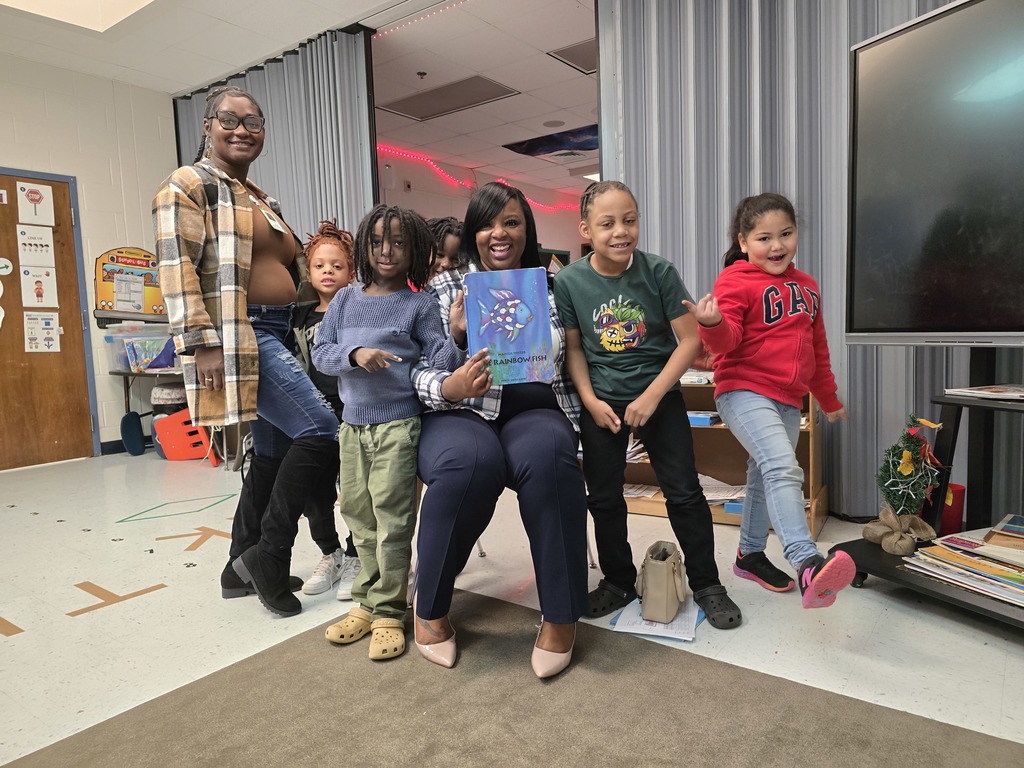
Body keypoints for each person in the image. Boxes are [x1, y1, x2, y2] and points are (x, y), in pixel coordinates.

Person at [154, 85, 340, 618]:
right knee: (320, 430)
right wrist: (199, 343)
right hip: (240, 333)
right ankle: (269, 557)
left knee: (276, 453)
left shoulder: (259, 196)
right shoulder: (188, 184)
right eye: (229, 119)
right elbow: (175, 268)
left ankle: (236, 565)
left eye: (254, 121)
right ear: (208, 126)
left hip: (280, 331)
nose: (242, 129)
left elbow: (292, 272)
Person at [411, 181, 589, 679]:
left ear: (526, 228)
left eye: (511, 221)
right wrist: (455, 351)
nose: (499, 233)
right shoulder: (443, 288)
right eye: (487, 223)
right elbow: (411, 370)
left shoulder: (552, 287)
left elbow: (572, 356)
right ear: (473, 231)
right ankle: (431, 608)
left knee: (551, 454)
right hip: (460, 412)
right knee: (468, 463)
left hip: (535, 408)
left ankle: (560, 615)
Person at [553, 180, 742, 630]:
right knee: (603, 497)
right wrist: (590, 401)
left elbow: (691, 339)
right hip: (602, 405)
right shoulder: (569, 281)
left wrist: (652, 396)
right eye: (607, 224)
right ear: (586, 228)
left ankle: (708, 583)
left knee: (685, 493)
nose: (621, 232)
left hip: (659, 397)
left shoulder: (659, 272)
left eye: (630, 220)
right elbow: (575, 349)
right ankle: (618, 580)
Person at [683, 192, 855, 609]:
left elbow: (818, 348)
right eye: (763, 238)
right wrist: (711, 324)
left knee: (763, 473)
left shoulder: (807, 286)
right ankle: (806, 560)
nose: (776, 246)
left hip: (788, 398)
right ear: (743, 242)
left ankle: (749, 554)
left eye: (786, 234)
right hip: (742, 390)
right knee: (782, 466)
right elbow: (727, 343)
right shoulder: (735, 281)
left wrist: (828, 398)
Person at [312, 204, 462, 661]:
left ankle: (391, 612)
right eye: (377, 242)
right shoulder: (344, 300)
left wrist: (456, 335)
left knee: (393, 522)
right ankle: (366, 600)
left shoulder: (419, 304)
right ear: (364, 246)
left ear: (415, 248)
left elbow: (441, 364)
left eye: (399, 242)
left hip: (398, 426)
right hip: (351, 428)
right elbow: (320, 352)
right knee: (359, 517)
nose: (387, 251)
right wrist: (355, 354)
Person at [292, 219, 362, 600]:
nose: (328, 272)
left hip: (351, 416)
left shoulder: (357, 312)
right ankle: (330, 553)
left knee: (351, 492)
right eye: (320, 266)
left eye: (337, 266)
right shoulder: (300, 316)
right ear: (309, 270)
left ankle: (356, 556)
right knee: (314, 493)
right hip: (313, 420)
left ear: (350, 271)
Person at [427, 216, 464, 280]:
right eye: (439, 255)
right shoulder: (406, 287)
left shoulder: (464, 288)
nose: (446, 264)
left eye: (455, 259)